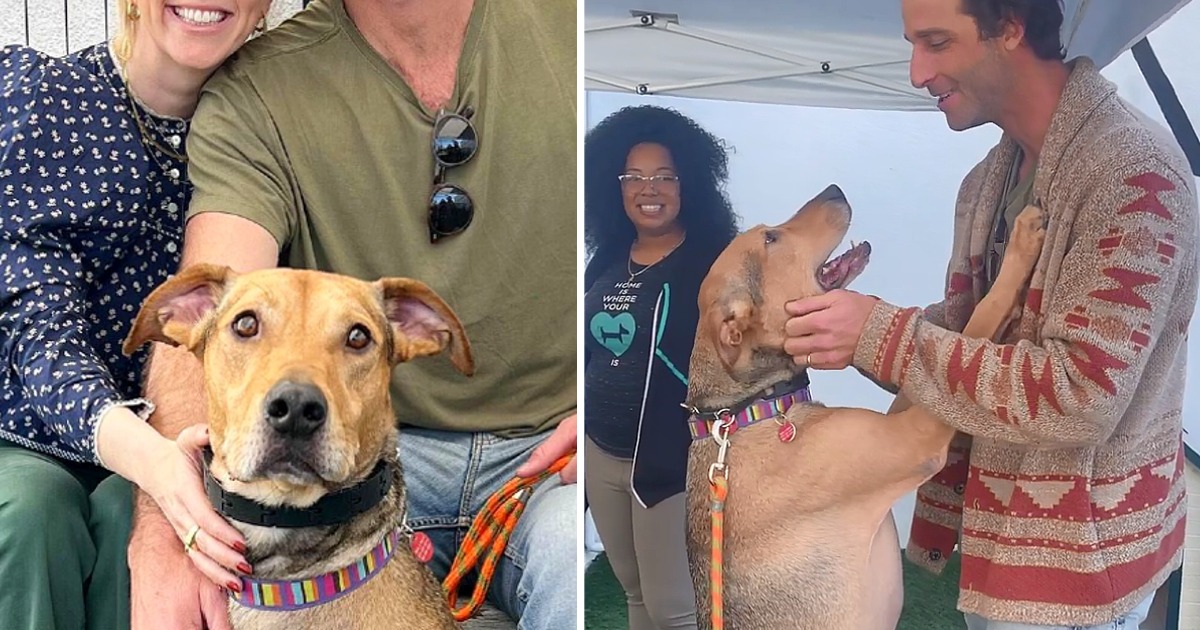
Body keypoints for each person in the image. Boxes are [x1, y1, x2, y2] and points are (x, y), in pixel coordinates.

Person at [123, 1, 578, 629]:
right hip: (373, 456)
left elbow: (652, 257)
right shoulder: (259, 87)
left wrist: (614, 412)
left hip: (552, 458)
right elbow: (213, 317)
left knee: (572, 561)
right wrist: (169, 528)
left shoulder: (576, 28)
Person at [782, 1, 1197, 628]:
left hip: (1079, 572)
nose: (917, 72)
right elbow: (965, 327)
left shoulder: (1137, 176)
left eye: (938, 42)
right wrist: (846, 327)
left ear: (1010, 28)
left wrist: (879, 336)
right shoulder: (985, 182)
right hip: (997, 541)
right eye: (913, 45)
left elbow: (1082, 395)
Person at [0, 2, 271, 629]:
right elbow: (37, 331)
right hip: (30, 430)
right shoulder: (48, 102)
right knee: (28, 511)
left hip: (182, 439)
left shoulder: (268, 139)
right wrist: (153, 461)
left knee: (148, 520)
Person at [583, 105, 740, 630]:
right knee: (634, 593)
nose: (649, 189)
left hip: (668, 457)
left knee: (673, 606)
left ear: (688, 183)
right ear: (616, 185)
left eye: (665, 176)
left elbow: (758, 317)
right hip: (601, 450)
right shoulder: (605, 257)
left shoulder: (713, 259)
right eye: (635, 176)